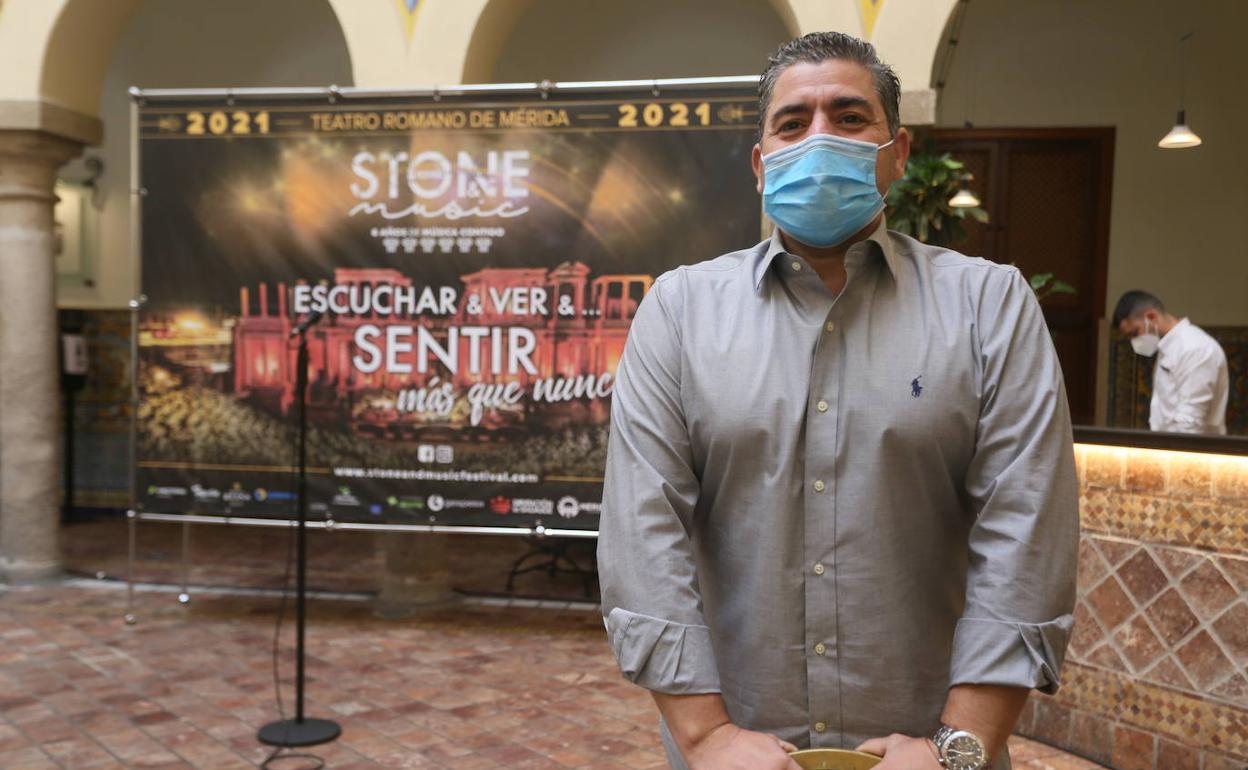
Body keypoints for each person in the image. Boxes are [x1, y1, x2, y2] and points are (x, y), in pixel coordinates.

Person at [597, 31, 1079, 770]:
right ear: (760, 164)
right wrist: (705, 736)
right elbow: (642, 530)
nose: (819, 139)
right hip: (734, 752)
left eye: (850, 117)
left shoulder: (988, 305)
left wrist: (958, 748)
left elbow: (1027, 532)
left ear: (898, 151)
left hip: (932, 751)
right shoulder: (680, 311)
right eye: (792, 123)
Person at [1112, 290, 1229, 435]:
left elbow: (1190, 423)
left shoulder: (1195, 348)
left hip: (1189, 447)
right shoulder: (1168, 347)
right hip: (1168, 444)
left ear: (1151, 317)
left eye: (1135, 333)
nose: (1134, 341)